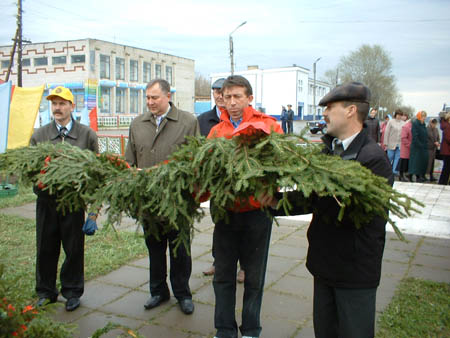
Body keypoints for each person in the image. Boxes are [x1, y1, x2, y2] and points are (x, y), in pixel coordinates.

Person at [258, 82, 393, 338]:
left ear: (351, 110)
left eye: (329, 107)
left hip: (354, 273)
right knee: (325, 331)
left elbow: (345, 210)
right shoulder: (329, 151)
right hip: (324, 266)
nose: (324, 113)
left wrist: (314, 193)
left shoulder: (372, 158)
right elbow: (312, 197)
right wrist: (274, 201)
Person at [207, 75, 283, 338]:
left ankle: (251, 329)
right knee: (223, 276)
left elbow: (281, 167)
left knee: (254, 277)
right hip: (226, 214)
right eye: (227, 97)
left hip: (256, 215)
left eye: (237, 96)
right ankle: (224, 329)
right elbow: (207, 171)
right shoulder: (217, 131)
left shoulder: (268, 126)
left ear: (249, 98)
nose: (232, 102)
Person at [125, 78, 199, 314]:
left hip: (178, 202)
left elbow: (196, 159)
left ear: (168, 96)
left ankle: (182, 294)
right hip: (149, 202)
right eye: (147, 98)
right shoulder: (137, 124)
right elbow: (129, 160)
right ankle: (158, 291)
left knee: (180, 250)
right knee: (154, 249)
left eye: (154, 97)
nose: (150, 102)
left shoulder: (188, 121)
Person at [30, 86, 99, 312]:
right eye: (54, 104)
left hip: (74, 204)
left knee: (74, 249)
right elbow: (31, 170)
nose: (57, 108)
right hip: (47, 204)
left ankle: (72, 292)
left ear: (72, 106)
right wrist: (40, 184)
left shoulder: (87, 135)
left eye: (62, 103)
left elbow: (95, 173)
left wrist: (93, 212)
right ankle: (46, 292)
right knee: (46, 248)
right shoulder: (40, 135)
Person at [198, 78, 246, 283]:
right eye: (218, 92)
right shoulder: (204, 120)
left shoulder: (257, 121)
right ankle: (219, 263)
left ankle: (244, 266)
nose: (222, 97)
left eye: (224, 92)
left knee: (245, 232)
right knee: (221, 229)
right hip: (219, 191)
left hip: (246, 194)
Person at [383, 109, 405, 178]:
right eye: (398, 115)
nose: (399, 116)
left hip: (400, 144)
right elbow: (387, 132)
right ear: (395, 115)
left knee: (397, 158)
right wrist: (385, 142)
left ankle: (394, 172)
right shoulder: (391, 122)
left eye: (400, 115)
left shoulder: (403, 123)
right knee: (390, 157)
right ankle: (386, 171)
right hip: (391, 143)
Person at [408, 111, 428, 183]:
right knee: (415, 162)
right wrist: (419, 144)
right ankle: (410, 175)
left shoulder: (423, 124)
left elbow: (425, 134)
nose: (424, 118)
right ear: (419, 117)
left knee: (420, 162)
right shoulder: (415, 124)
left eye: (425, 117)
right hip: (416, 146)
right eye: (423, 117)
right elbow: (415, 136)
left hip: (423, 146)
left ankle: (419, 176)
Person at [398, 114, 412, 182]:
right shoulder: (406, 127)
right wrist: (409, 144)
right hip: (405, 148)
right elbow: (403, 138)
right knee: (403, 163)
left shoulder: (410, 126)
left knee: (406, 163)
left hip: (409, 148)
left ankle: (404, 175)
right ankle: (401, 176)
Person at [438, 112, 450, 185]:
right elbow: (448, 138)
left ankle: (443, 181)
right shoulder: (447, 126)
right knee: (446, 167)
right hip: (447, 151)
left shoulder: (446, 126)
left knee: (447, 167)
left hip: (446, 150)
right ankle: (443, 182)